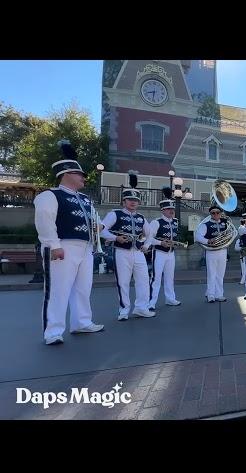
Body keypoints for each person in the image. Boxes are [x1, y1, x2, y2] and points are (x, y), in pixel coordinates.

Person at [34, 140, 104, 345]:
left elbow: (96, 221)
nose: (84, 177)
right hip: (63, 245)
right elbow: (45, 220)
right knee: (58, 290)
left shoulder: (86, 199)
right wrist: (54, 245)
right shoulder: (50, 195)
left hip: (85, 247)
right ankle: (52, 332)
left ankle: (82, 322)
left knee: (83, 288)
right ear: (66, 174)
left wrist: (99, 227)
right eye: (80, 174)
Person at [101, 172, 156, 320]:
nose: (133, 202)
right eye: (130, 199)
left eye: (135, 200)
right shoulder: (115, 214)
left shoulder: (141, 217)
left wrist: (147, 245)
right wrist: (115, 237)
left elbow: (150, 234)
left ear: (139, 202)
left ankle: (141, 308)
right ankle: (124, 311)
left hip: (138, 252)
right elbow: (101, 230)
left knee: (143, 280)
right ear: (124, 201)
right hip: (121, 252)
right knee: (123, 282)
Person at [143, 189, 182, 311]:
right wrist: (161, 243)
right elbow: (148, 238)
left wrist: (175, 243)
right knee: (156, 278)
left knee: (170, 277)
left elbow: (174, 236)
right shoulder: (156, 222)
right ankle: (151, 302)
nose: (172, 211)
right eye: (169, 209)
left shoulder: (175, 222)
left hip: (171, 253)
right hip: (159, 253)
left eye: (172, 209)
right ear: (163, 210)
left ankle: (170, 298)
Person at [195, 205, 232, 303]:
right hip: (211, 252)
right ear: (210, 214)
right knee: (212, 274)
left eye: (217, 213)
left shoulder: (225, 224)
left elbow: (231, 233)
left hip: (223, 251)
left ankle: (219, 294)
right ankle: (210, 295)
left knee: (220, 274)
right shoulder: (205, 225)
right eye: (213, 213)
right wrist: (208, 240)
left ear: (220, 213)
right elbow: (198, 237)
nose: (216, 214)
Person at [234, 219, 246, 285]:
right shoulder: (239, 239)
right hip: (243, 254)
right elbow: (236, 248)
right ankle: (243, 280)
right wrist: (243, 248)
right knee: (244, 269)